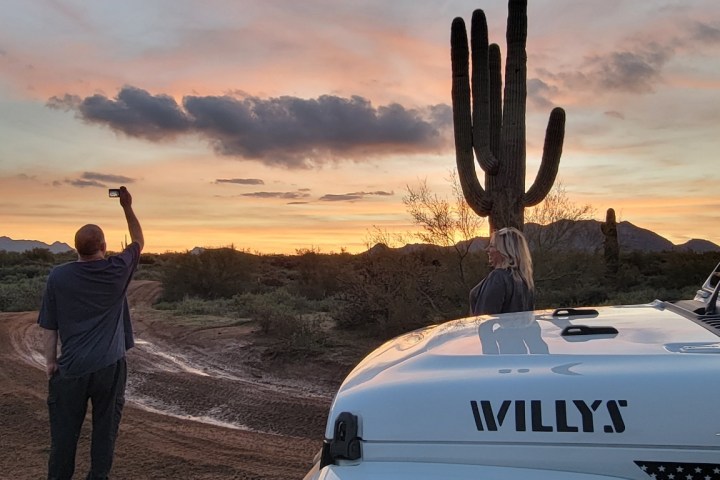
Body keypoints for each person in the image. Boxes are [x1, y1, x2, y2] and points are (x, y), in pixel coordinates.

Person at [38, 186, 143, 480]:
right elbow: (138, 241)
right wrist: (127, 206)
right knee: (104, 433)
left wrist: (50, 362)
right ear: (104, 246)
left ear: (76, 249)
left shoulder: (58, 276)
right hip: (110, 367)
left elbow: (50, 325)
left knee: (63, 438)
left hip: (70, 369)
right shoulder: (117, 270)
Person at [469, 227, 534, 315]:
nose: (487, 249)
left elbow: (484, 320)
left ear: (504, 251)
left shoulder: (498, 277)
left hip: (500, 329)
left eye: (492, 246)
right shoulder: (524, 280)